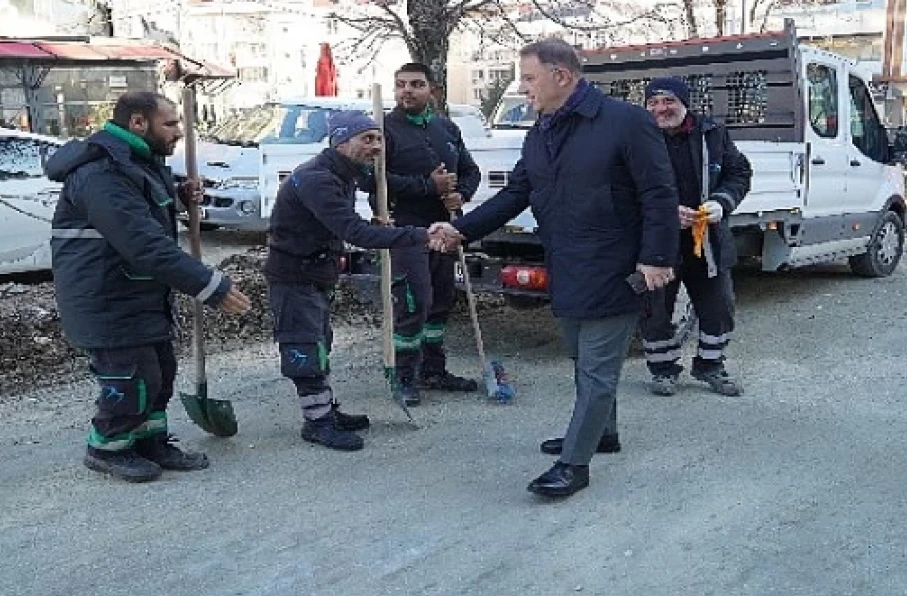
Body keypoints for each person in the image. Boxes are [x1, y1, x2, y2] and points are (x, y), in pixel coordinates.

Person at [429, 39, 679, 498]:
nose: (522, 88)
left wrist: (657, 258)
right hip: (565, 262)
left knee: (598, 368)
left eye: (528, 78)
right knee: (584, 359)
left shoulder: (626, 122)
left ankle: (574, 465)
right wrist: (461, 229)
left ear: (561, 76)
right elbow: (516, 193)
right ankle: (603, 433)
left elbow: (659, 193)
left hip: (615, 264)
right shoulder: (541, 129)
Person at [46, 91, 252, 483]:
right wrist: (210, 286)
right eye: (170, 124)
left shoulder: (138, 161)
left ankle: (150, 440)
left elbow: (143, 207)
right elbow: (141, 242)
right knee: (129, 378)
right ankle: (107, 446)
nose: (178, 132)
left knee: (159, 372)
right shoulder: (100, 172)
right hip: (106, 297)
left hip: (139, 292)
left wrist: (177, 196)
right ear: (138, 123)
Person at [265, 110, 448, 452]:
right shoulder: (318, 178)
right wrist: (420, 235)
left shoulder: (342, 173)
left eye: (378, 139)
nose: (376, 146)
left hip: (316, 272)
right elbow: (354, 232)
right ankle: (317, 422)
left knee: (321, 342)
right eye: (367, 139)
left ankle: (325, 408)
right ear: (341, 141)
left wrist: (379, 224)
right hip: (294, 275)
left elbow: (340, 221)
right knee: (304, 346)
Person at [363, 62, 483, 406]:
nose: (407, 91)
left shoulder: (446, 127)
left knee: (441, 301)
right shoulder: (382, 131)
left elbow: (470, 171)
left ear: (433, 90)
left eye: (416, 84)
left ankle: (433, 369)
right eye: (401, 84)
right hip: (403, 230)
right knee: (413, 303)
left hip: (443, 231)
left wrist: (462, 195)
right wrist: (428, 186)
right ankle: (405, 375)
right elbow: (371, 181)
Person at [640, 77, 752, 397]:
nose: (661, 108)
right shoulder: (638, 138)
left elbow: (739, 174)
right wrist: (666, 212)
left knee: (719, 306)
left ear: (685, 103)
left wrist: (721, 202)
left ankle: (711, 366)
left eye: (669, 101)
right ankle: (663, 370)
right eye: (654, 103)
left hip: (708, 241)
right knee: (655, 309)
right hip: (658, 243)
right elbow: (623, 187)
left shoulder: (712, 134)